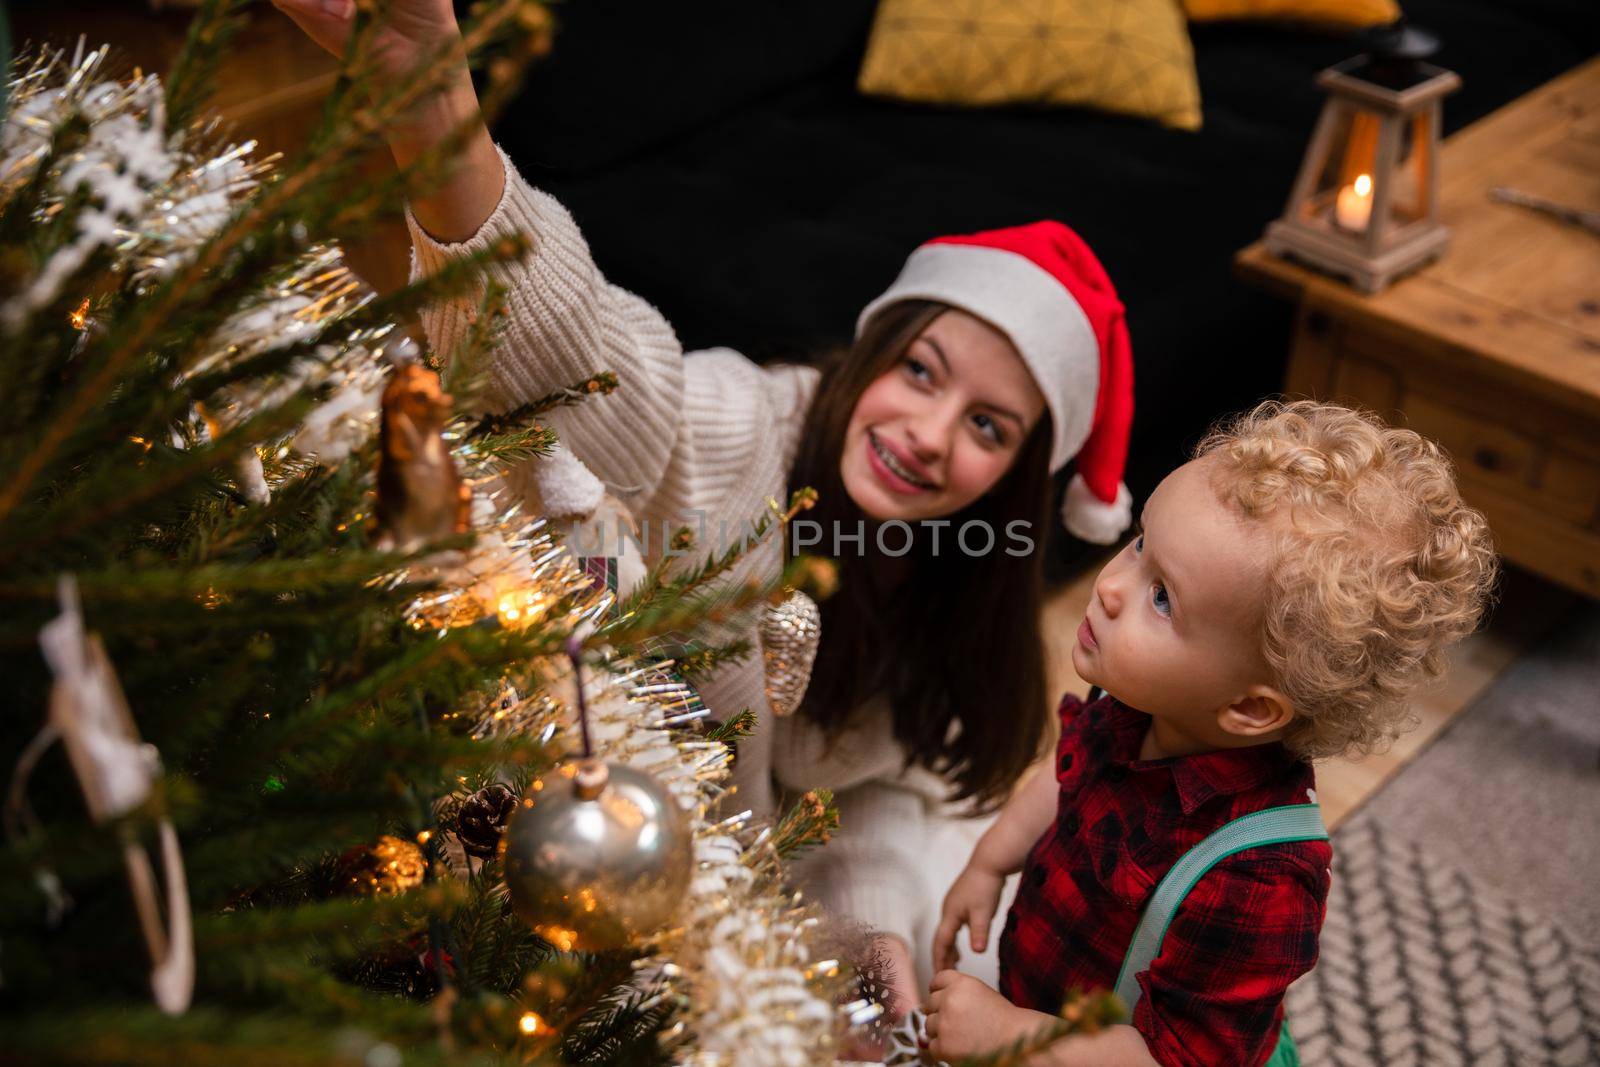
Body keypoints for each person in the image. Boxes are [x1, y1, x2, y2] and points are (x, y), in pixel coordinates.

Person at [271, 0, 1134, 1010]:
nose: (930, 432)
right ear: (866, 358)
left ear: (1020, 478)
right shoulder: (735, 428)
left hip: (700, 897)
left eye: (987, 426)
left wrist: (862, 930)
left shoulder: (951, 577)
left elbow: (871, 785)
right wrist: (434, 104)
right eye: (918, 370)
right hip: (512, 846)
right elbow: (585, 358)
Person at [926, 400, 1499, 1066]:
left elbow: (1178, 1059)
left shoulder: (1257, 877)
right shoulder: (1138, 701)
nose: (1111, 587)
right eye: (1141, 544)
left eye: (1163, 596)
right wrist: (991, 858)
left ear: (1252, 709)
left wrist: (1012, 1035)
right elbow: (1069, 777)